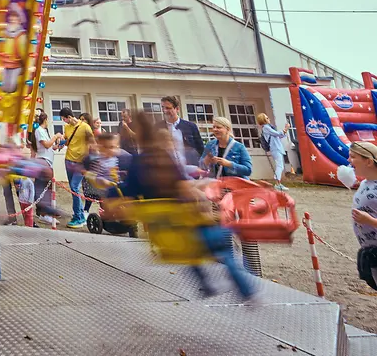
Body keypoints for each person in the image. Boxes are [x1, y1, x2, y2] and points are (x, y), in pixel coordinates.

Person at [118, 112, 258, 303]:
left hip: (187, 212)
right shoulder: (168, 158)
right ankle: (244, 287)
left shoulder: (142, 162)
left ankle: (238, 281)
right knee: (209, 247)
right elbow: (186, 181)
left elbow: (134, 189)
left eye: (218, 127)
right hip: (190, 210)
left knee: (193, 249)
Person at [346, 141, 377, 290]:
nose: (348, 160)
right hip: (372, 252)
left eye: (353, 156)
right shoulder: (365, 183)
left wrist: (369, 220)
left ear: (369, 162)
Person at [29, 110, 64, 226]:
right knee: (43, 189)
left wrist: (57, 146)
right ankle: (45, 214)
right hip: (43, 162)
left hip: (47, 161)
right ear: (45, 119)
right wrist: (56, 136)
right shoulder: (39, 131)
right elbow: (46, 144)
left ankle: (46, 214)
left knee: (46, 189)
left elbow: (49, 147)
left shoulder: (43, 131)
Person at [60, 107, 94, 228]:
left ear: (69, 117)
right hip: (68, 159)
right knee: (73, 189)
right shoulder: (67, 127)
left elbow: (93, 143)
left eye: (64, 119)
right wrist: (61, 141)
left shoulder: (85, 127)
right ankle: (78, 215)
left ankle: (79, 217)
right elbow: (68, 140)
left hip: (80, 162)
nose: (64, 121)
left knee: (75, 187)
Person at [159, 96, 203, 170]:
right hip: (167, 171)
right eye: (163, 107)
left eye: (168, 108)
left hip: (190, 168)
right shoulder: (158, 127)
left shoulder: (190, 126)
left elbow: (200, 149)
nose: (164, 110)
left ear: (177, 109)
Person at [257, 113, 290, 190]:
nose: (269, 119)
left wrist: (284, 131)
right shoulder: (266, 128)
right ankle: (277, 183)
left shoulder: (268, 127)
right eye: (267, 118)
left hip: (277, 148)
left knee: (280, 165)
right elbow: (277, 133)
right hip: (275, 148)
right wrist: (285, 129)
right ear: (263, 120)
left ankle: (278, 183)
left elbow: (280, 135)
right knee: (279, 166)